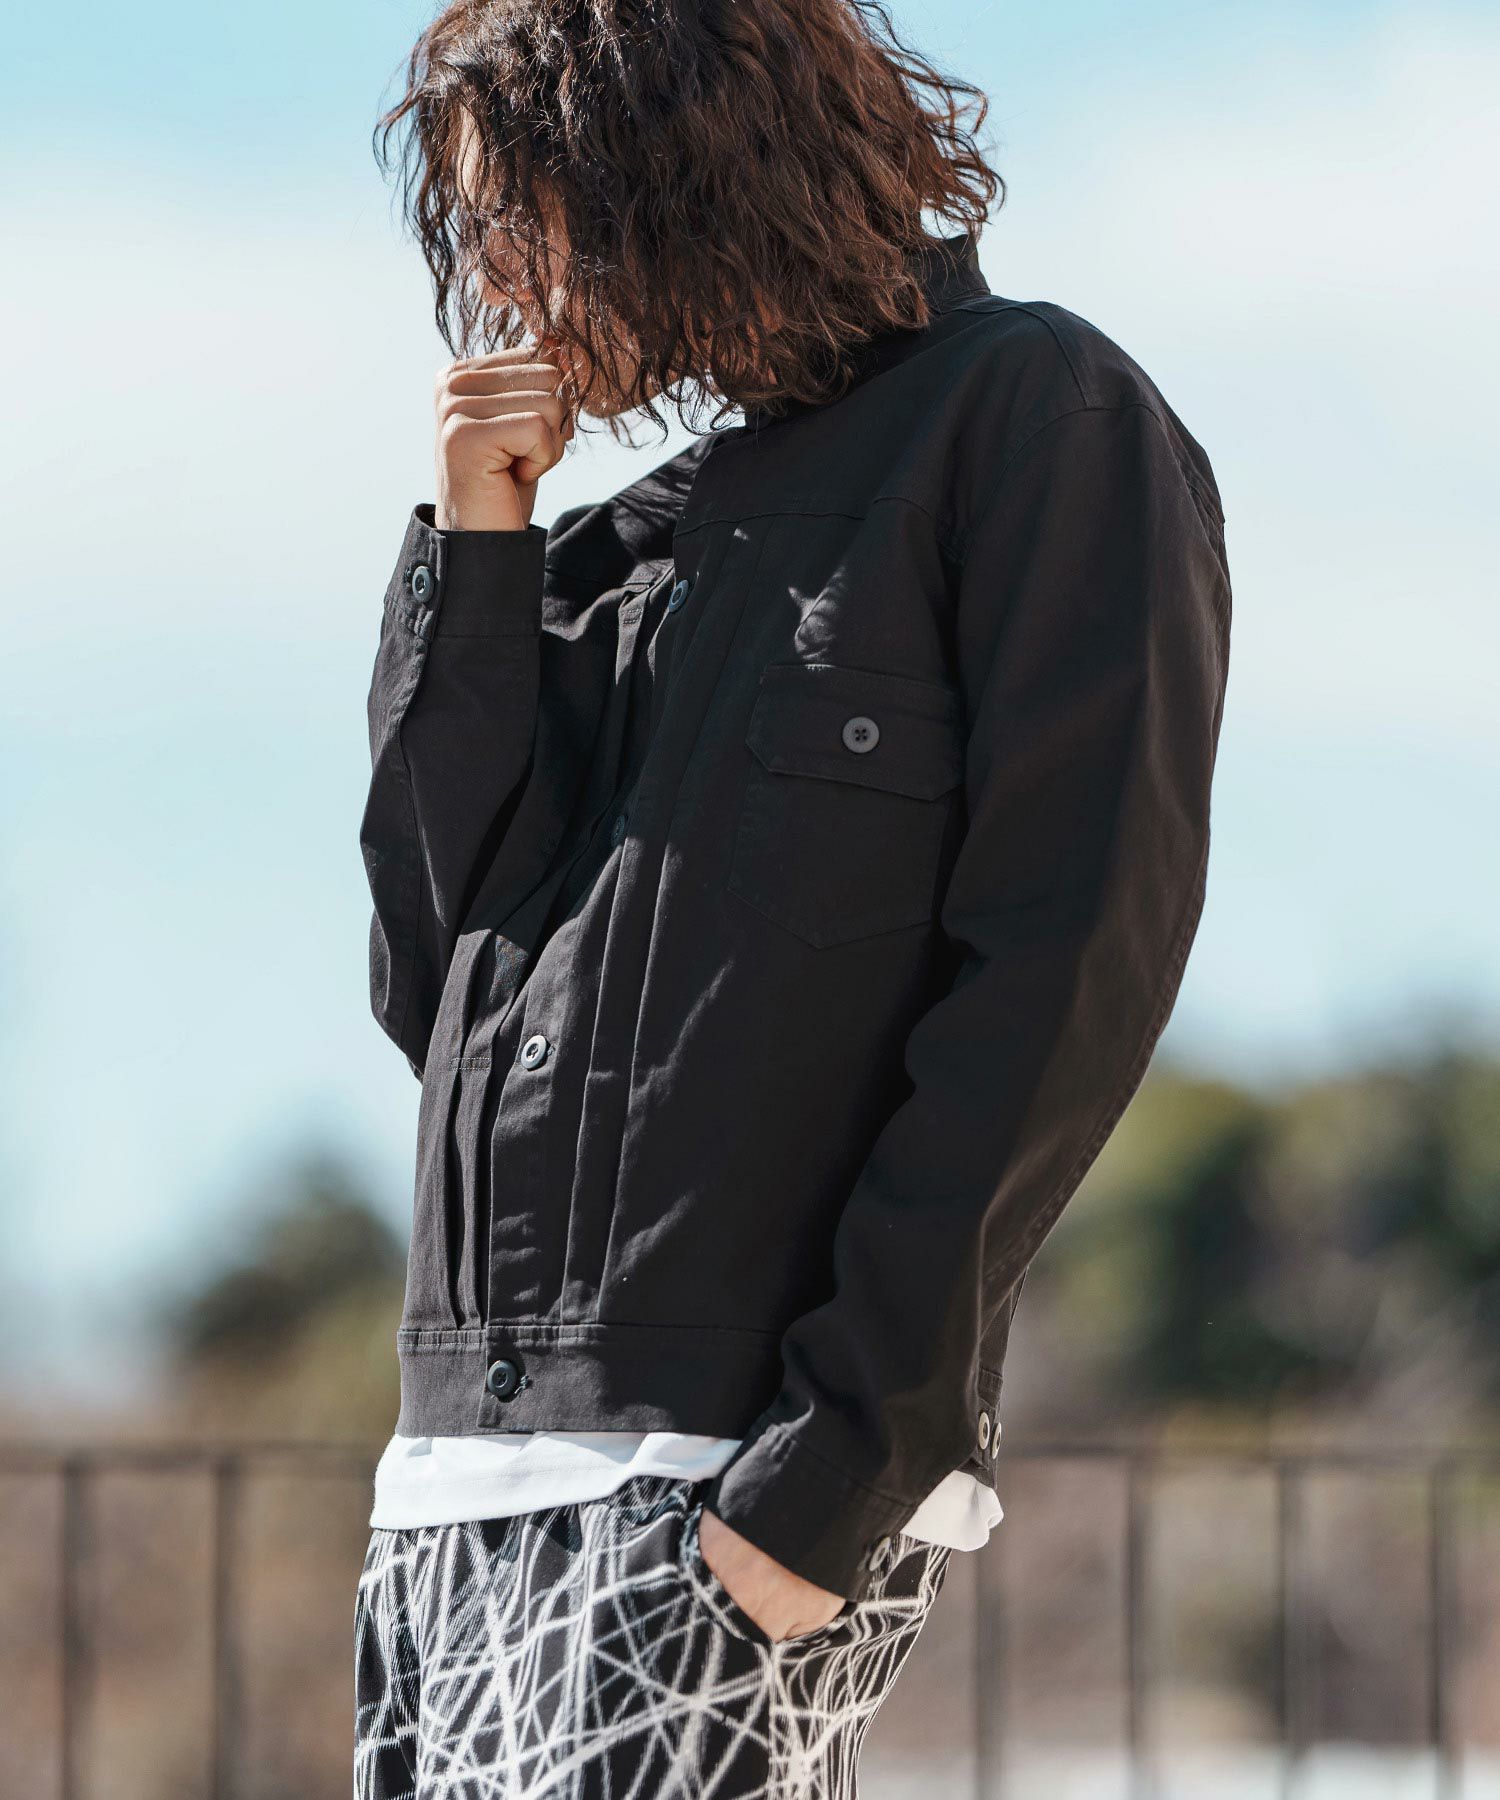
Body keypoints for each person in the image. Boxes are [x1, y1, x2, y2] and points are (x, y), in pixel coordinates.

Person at [352, 0, 1232, 1794]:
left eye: (525, 211)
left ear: (669, 165)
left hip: (724, 1482)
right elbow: (435, 983)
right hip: (448, 1495)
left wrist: (837, 1465)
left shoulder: (1038, 419)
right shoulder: (620, 544)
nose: (504, 277)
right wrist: (479, 558)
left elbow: (1069, 967)